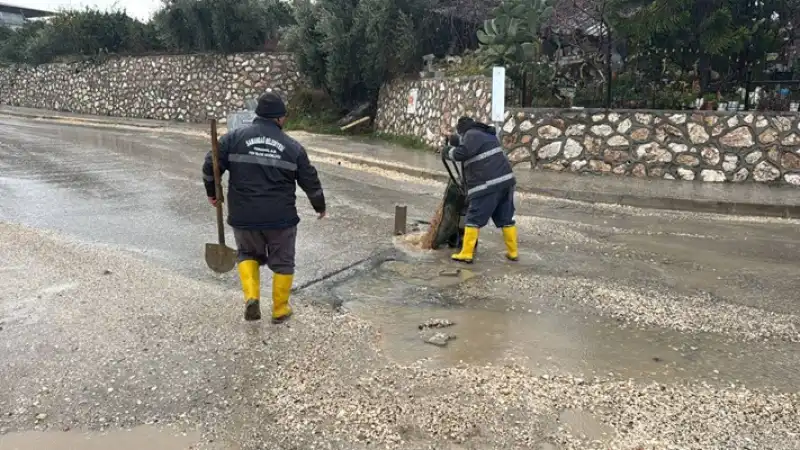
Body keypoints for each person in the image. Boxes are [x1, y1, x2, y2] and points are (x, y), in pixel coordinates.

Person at [202, 92, 326, 323]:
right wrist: (319, 206)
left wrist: (212, 192)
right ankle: (280, 309)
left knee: (247, 254)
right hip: (281, 218)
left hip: (243, 216)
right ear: (279, 118)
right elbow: (310, 179)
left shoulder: (233, 139)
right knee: (284, 261)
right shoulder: (293, 147)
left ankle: (252, 298)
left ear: (258, 115)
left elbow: (211, 164)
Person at [445, 116, 517, 263]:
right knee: (505, 218)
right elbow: (466, 145)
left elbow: (462, 153)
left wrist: (447, 151)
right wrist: (451, 138)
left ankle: (466, 253)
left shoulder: (471, 135)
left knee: (474, 217)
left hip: (487, 184)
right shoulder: (486, 135)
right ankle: (513, 252)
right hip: (506, 182)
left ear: (463, 130)